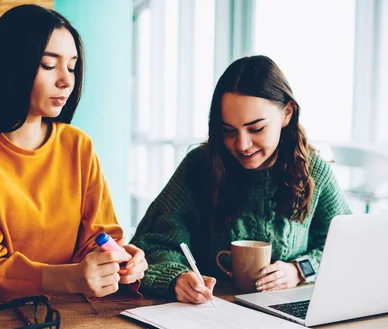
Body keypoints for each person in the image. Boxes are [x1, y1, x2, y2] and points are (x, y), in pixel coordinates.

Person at [0, 5, 147, 302]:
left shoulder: (78, 145)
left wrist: (118, 262)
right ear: (11, 65)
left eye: (72, 66)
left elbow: (98, 239)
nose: (66, 81)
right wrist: (71, 277)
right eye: (48, 65)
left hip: (75, 316)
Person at [131, 55, 351, 304]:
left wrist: (299, 271)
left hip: (288, 314)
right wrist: (177, 278)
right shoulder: (198, 167)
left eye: (256, 129)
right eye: (228, 131)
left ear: (287, 113)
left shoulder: (314, 172)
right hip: (210, 312)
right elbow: (150, 245)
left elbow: (346, 246)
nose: (242, 145)